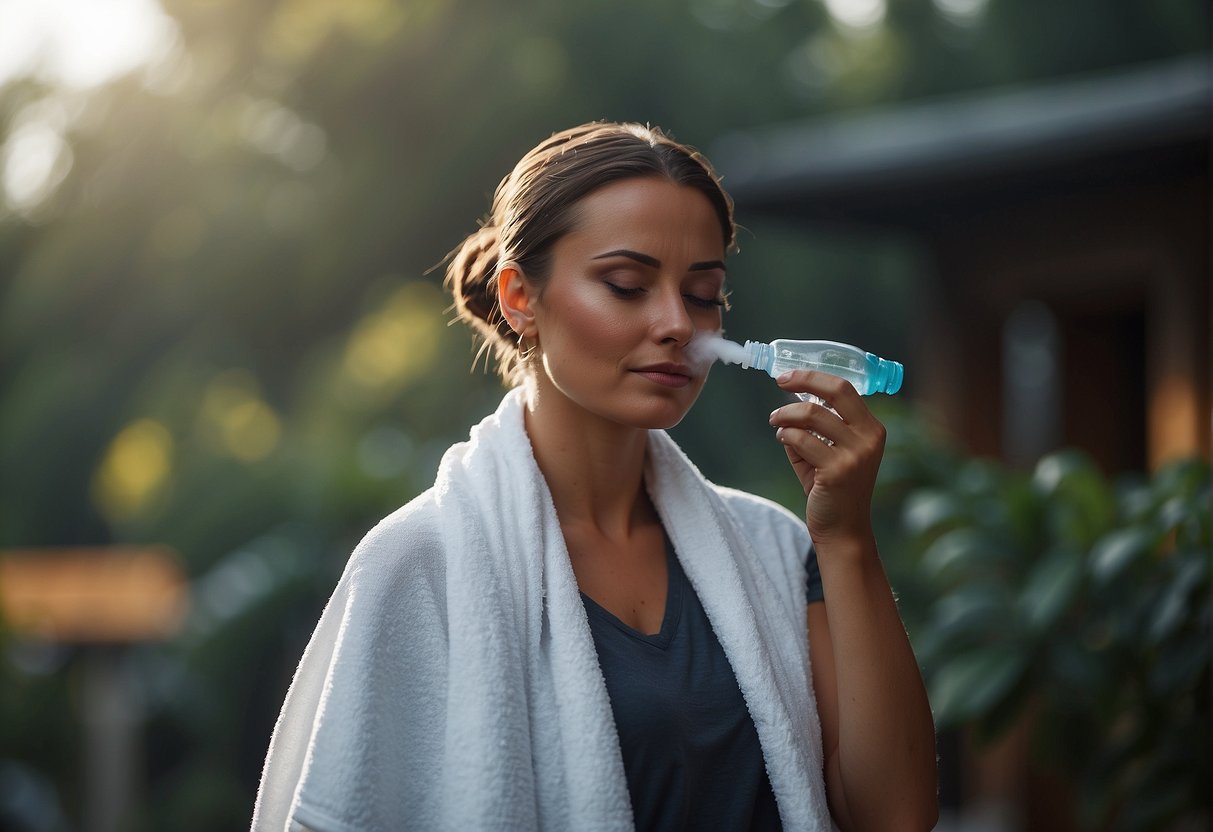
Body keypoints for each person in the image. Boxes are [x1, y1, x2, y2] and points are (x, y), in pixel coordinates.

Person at [251, 121, 938, 832]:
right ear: (520, 297)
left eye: (703, 294)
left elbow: (894, 817)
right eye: (626, 285)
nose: (676, 323)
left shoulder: (774, 549)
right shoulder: (419, 565)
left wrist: (847, 536)